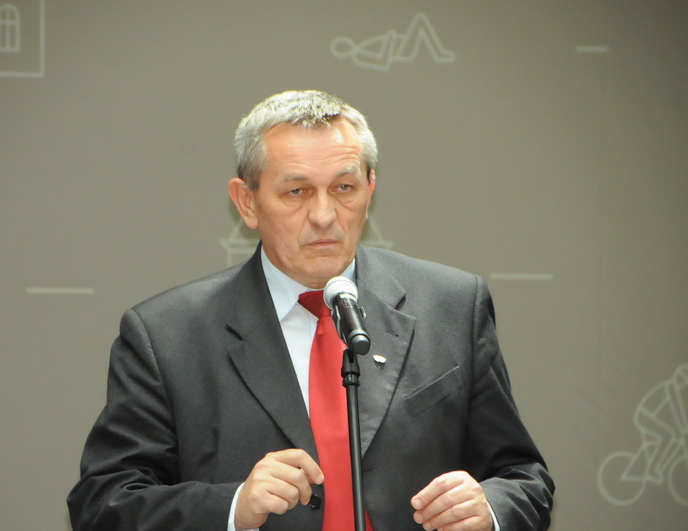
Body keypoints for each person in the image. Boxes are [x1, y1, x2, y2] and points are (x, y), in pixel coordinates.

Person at [67, 90, 555, 530]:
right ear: (247, 202)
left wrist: (490, 511)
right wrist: (232, 509)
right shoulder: (166, 335)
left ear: (370, 189)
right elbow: (103, 502)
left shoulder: (452, 304)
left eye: (344, 188)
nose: (324, 215)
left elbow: (523, 478)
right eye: (296, 191)